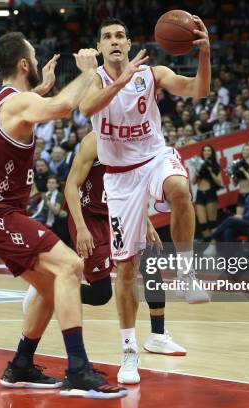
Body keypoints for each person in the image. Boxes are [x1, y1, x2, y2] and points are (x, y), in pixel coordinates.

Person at [0, 32, 126, 398]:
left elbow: (35, 106)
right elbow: (64, 107)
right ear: (24, 65)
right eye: (35, 58)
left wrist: (42, 90)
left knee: (53, 286)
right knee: (69, 267)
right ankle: (79, 370)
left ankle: (20, 364)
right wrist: (90, 71)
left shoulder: (3, 100)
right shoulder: (18, 103)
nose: (39, 63)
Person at [78, 17, 211, 384]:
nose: (115, 41)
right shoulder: (92, 77)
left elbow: (198, 90)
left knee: (181, 189)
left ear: (129, 41)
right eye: (107, 37)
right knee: (125, 269)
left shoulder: (152, 74)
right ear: (101, 47)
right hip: (119, 179)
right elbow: (87, 109)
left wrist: (205, 55)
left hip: (153, 159)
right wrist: (119, 79)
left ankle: (186, 272)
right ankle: (130, 351)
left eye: (120, 35)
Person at [62, 130, 186, 355]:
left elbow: (131, 188)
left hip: (119, 212)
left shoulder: (134, 138)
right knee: (101, 295)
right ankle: (51, 289)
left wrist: (146, 222)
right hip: (90, 217)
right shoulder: (93, 141)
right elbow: (70, 186)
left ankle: (158, 335)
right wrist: (81, 227)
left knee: (150, 259)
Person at [193, 145, 222, 241]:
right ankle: (210, 244)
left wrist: (210, 171)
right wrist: (197, 170)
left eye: (209, 150)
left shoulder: (215, 166)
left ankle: (214, 245)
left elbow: (219, 182)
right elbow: (193, 182)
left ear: (212, 153)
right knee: (203, 224)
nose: (206, 152)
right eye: (205, 150)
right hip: (200, 193)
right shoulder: (199, 164)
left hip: (210, 193)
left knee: (212, 223)